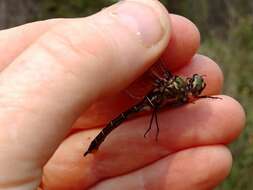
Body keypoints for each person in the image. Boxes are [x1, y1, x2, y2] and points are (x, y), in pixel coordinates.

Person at [0, 0, 245, 189]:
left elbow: (179, 105)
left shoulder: (177, 89)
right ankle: (96, 144)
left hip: (152, 102)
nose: (195, 83)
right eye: (195, 82)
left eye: (195, 84)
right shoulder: (173, 85)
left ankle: (95, 146)